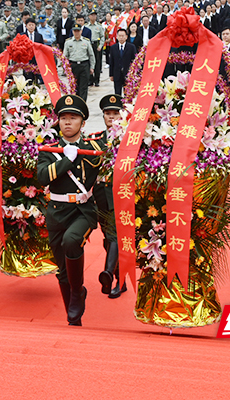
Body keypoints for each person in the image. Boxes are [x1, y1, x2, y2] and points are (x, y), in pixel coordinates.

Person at [36, 94, 105, 326]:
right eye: (63, 118)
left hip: (83, 210)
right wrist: (66, 159)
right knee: (62, 267)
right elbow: (43, 177)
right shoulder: (50, 148)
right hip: (56, 211)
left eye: (73, 118)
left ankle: (76, 293)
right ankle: (72, 313)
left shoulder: (94, 148)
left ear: (83, 123)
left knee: (72, 240)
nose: (67, 122)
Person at [93, 94, 126, 298]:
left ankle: (109, 273)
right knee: (108, 236)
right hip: (100, 194)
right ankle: (119, 276)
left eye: (116, 114)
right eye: (108, 114)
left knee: (115, 233)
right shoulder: (96, 139)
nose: (112, 118)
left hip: (120, 193)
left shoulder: (129, 139)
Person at [64, 23, 95, 101]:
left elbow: (91, 55)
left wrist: (92, 67)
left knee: (83, 87)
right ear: (72, 32)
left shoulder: (86, 42)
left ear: (81, 31)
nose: (76, 33)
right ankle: (75, 103)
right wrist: (65, 68)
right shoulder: (68, 42)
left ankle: (82, 104)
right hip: (73, 65)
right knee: (74, 87)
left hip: (84, 65)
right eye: (75, 31)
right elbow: (65, 57)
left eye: (78, 31)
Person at [109, 28, 137, 95]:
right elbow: (111, 62)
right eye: (120, 36)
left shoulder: (131, 47)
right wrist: (111, 74)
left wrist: (134, 73)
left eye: (123, 36)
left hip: (128, 74)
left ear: (126, 37)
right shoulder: (113, 47)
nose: (121, 37)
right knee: (117, 93)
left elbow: (134, 61)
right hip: (117, 74)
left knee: (127, 93)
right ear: (117, 37)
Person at [86, 10, 105, 86]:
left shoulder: (99, 26)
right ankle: (90, 79)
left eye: (94, 15)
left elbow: (102, 37)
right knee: (90, 62)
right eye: (92, 15)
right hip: (89, 45)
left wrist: (100, 46)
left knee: (97, 63)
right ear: (89, 16)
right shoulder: (86, 26)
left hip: (96, 45)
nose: (93, 17)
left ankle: (97, 80)